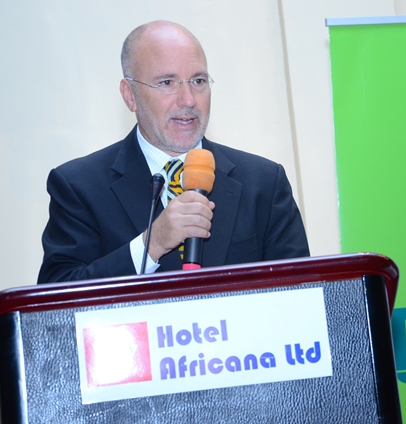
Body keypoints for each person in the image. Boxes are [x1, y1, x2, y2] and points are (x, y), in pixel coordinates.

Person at [37, 20, 309, 284]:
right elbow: (58, 297)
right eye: (167, 82)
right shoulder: (79, 186)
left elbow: (302, 292)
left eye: (198, 81)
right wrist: (152, 243)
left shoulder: (263, 182)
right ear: (130, 95)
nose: (189, 99)